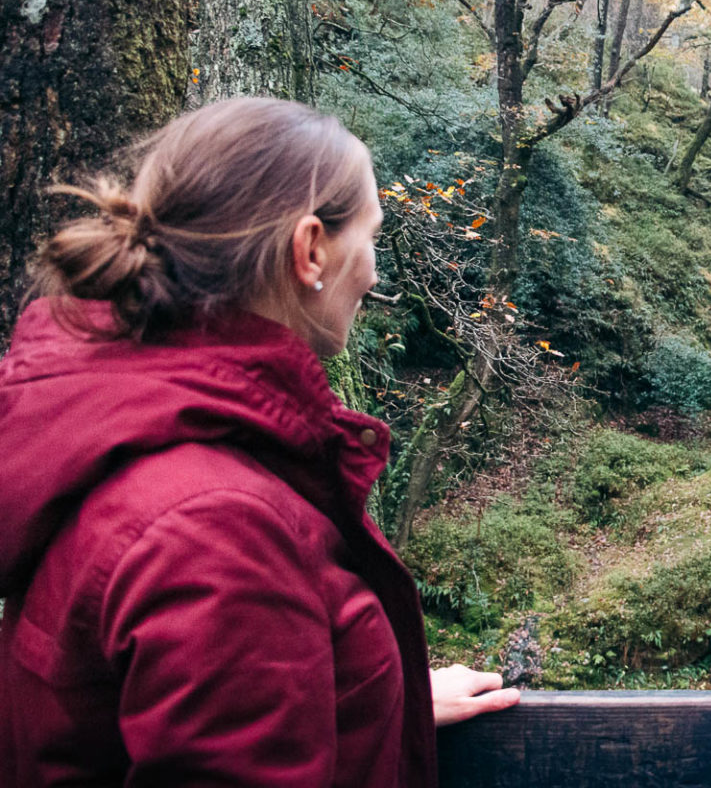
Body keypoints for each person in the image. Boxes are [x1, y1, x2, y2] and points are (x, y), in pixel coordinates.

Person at [0, 98, 519, 787]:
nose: (372, 271)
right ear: (310, 249)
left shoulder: (113, 427)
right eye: (370, 236)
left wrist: (382, 697)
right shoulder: (218, 527)